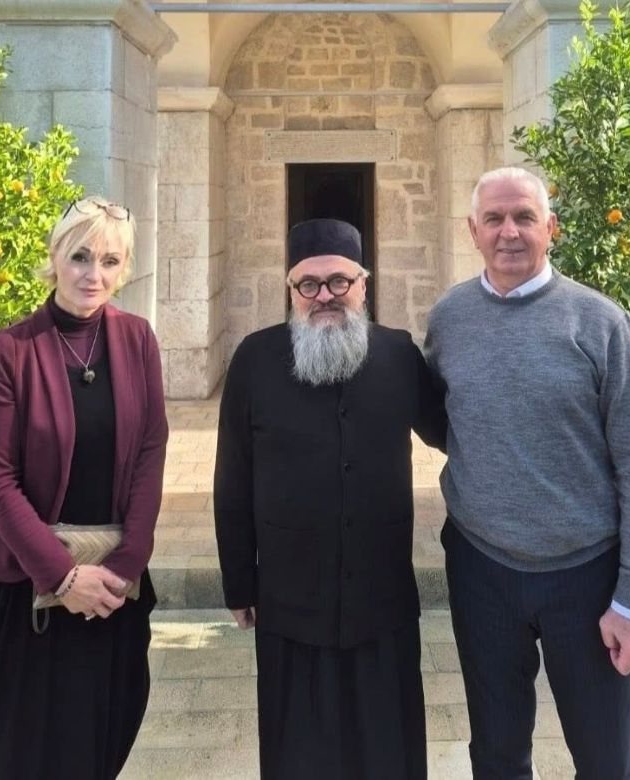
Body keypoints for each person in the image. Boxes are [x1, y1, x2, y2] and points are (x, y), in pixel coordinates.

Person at [424, 167, 630, 779]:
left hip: (585, 579)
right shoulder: (450, 317)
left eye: (524, 217)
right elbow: (445, 419)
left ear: (551, 228)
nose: (508, 232)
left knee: (605, 758)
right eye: (494, 219)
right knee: (497, 751)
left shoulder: (601, 324)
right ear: (473, 231)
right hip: (481, 571)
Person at [214, 218, 445, 780]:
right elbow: (232, 479)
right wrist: (239, 582)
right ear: (291, 290)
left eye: (340, 281)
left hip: (382, 598)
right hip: (290, 600)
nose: (325, 296)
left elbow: (451, 431)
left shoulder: (398, 355)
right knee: (299, 756)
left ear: (363, 284)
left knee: (388, 754)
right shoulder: (254, 360)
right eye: (309, 284)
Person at [0, 196, 169, 779]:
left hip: (109, 593)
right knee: (14, 757)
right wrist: (63, 577)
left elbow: (150, 452)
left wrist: (126, 563)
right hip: (23, 594)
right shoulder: (8, 352)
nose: (94, 274)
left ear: (125, 269)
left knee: (94, 748)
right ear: (54, 257)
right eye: (80, 257)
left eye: (110, 261)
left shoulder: (138, 340)